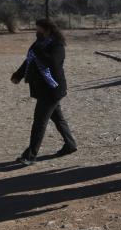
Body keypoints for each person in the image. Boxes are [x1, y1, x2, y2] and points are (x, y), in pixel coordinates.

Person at [11, 18, 77, 166]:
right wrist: (18, 75)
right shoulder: (38, 44)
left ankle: (30, 155)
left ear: (47, 30)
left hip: (52, 89)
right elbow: (29, 61)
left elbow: (52, 63)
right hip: (43, 89)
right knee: (58, 119)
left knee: (39, 122)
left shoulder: (57, 45)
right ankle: (70, 145)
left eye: (39, 29)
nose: (36, 32)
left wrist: (39, 50)